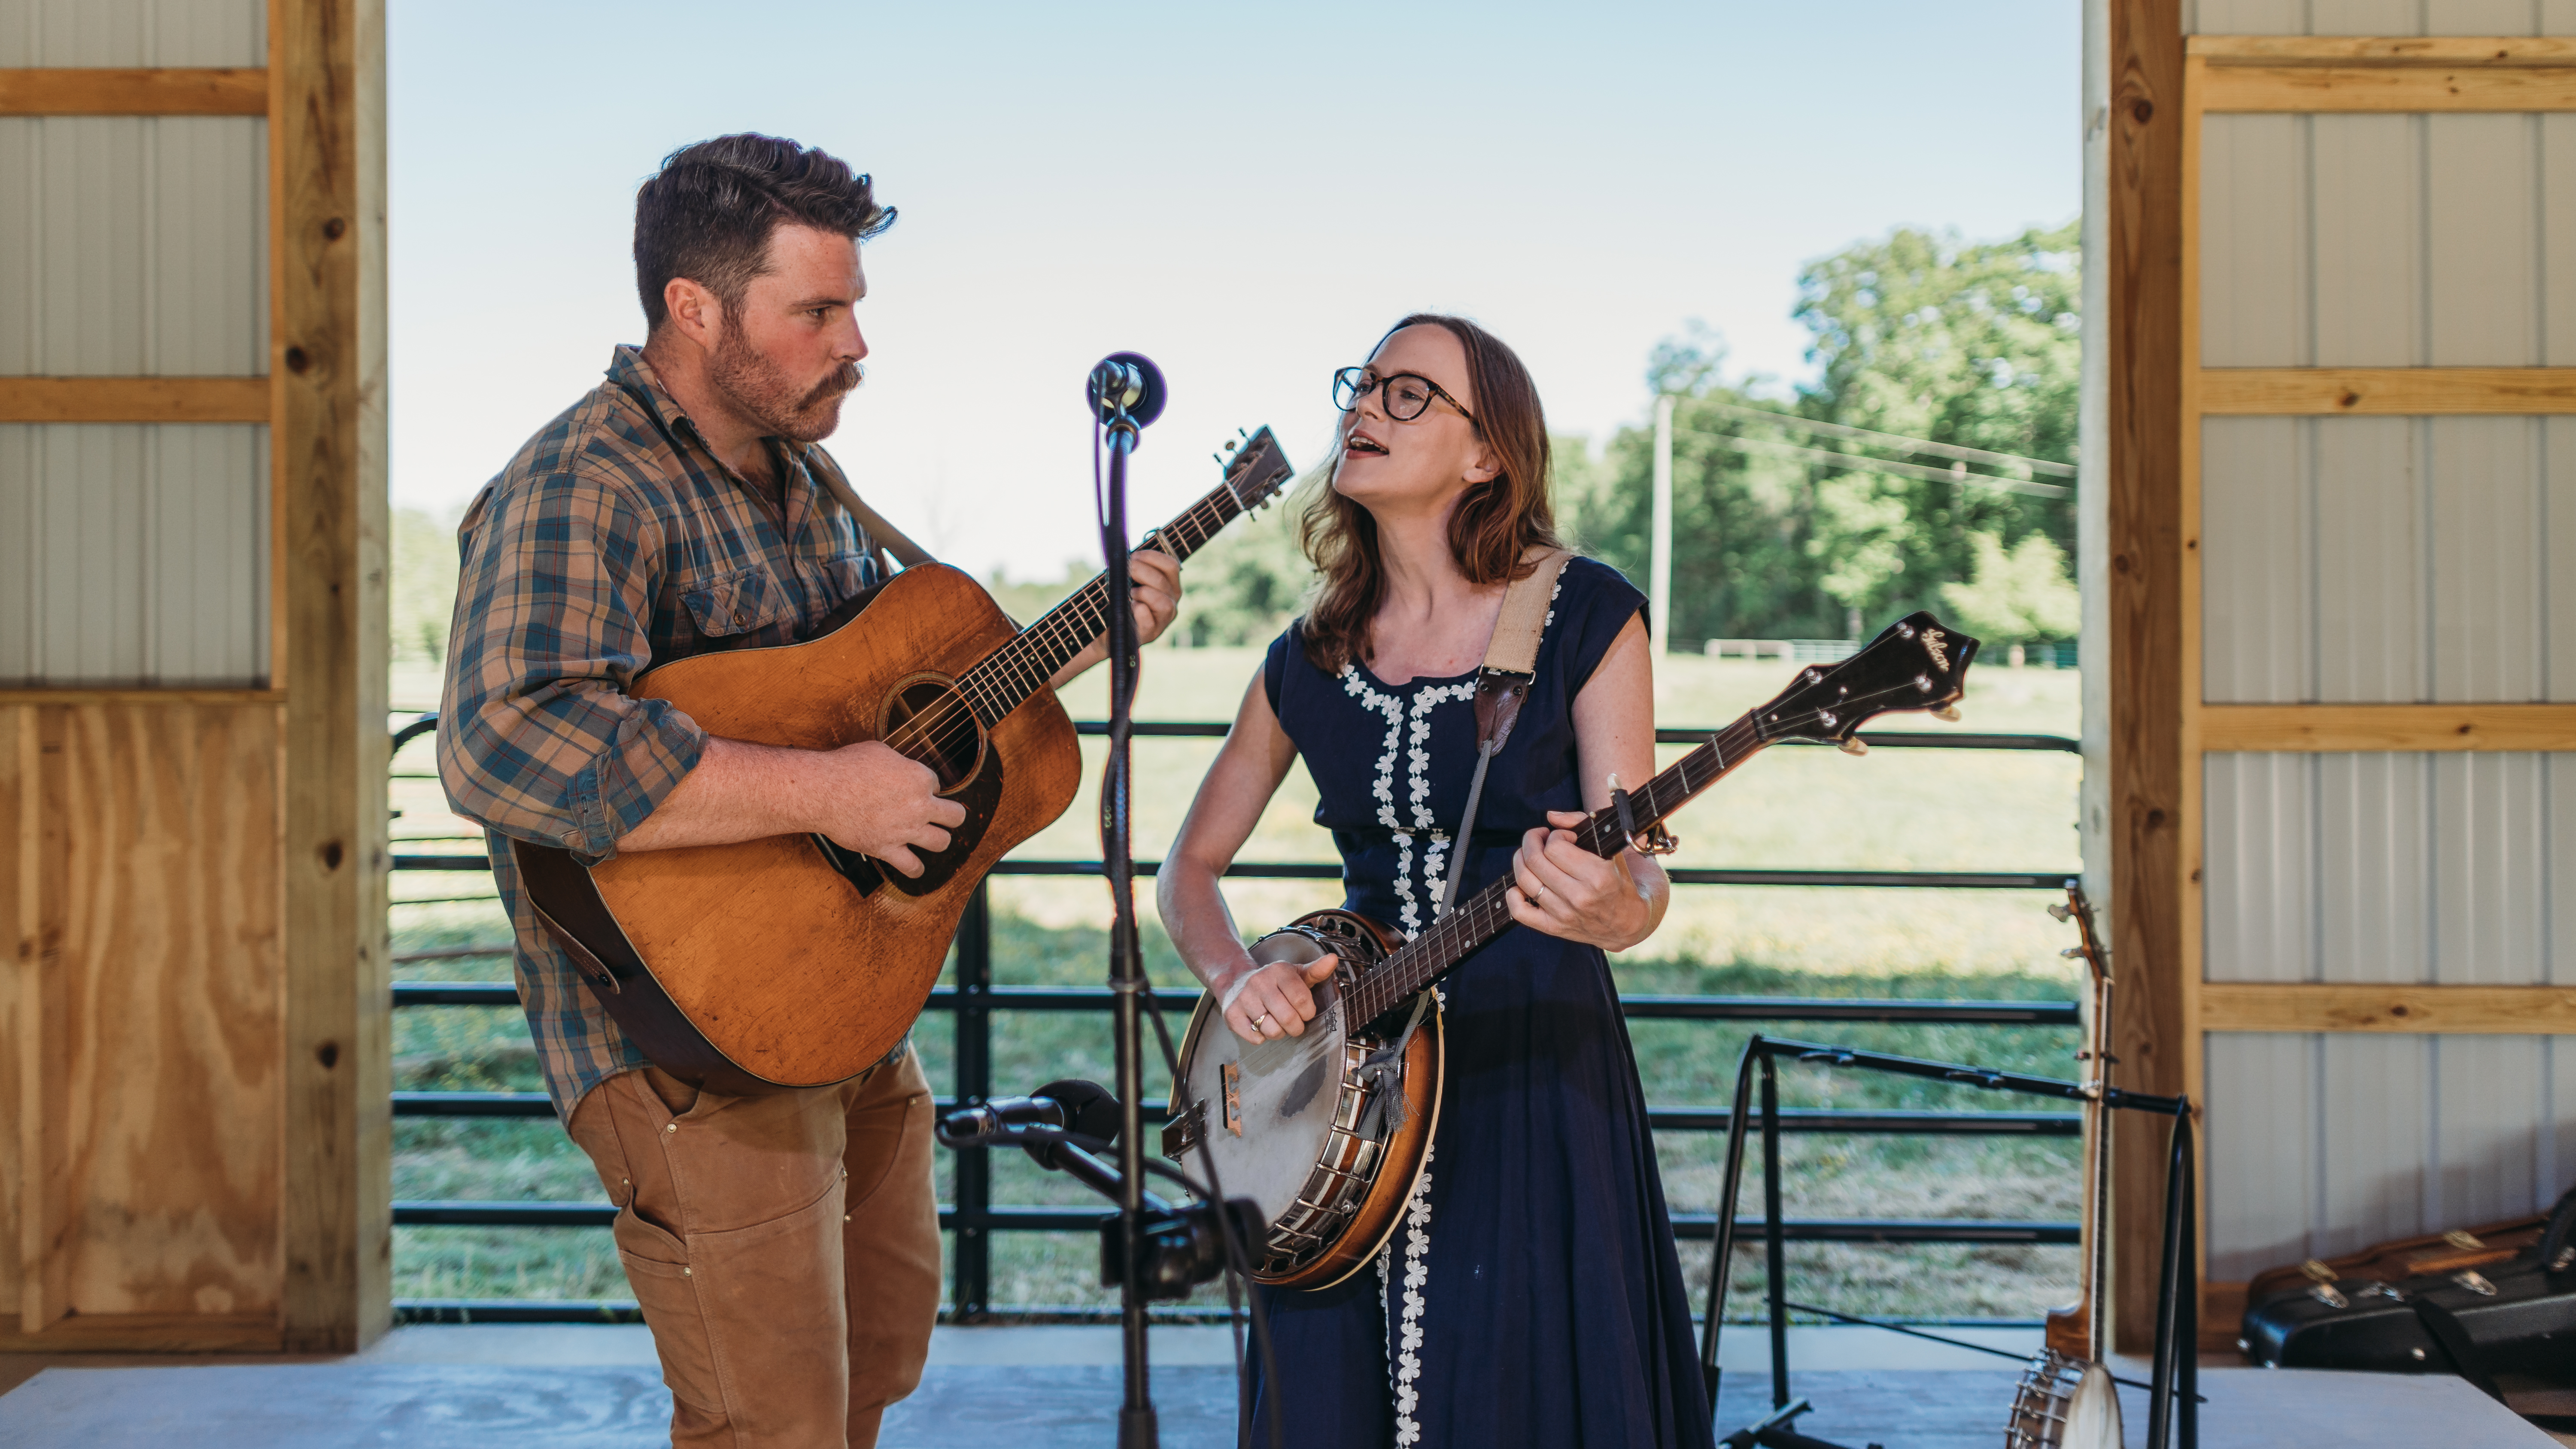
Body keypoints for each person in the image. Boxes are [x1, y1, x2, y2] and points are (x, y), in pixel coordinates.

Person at [437, 134, 1181, 1449]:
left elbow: (879, 699)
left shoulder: (806, 484)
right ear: (696, 308)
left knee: (872, 1362)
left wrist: (1083, 634)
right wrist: (827, 792)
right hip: (679, 1042)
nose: (855, 343)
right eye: (818, 311)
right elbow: (505, 737)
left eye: (855, 308)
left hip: (838, 999)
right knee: (767, 1419)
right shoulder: (585, 483)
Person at [1157, 314, 1716, 1447]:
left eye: (1409, 393)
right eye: (1361, 385)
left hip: (1530, 1076)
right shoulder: (1307, 653)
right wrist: (1232, 978)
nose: (1365, 406)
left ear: (1487, 453)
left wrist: (1618, 907)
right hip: (1329, 1102)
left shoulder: (1585, 615)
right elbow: (1189, 869)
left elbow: (1640, 883)